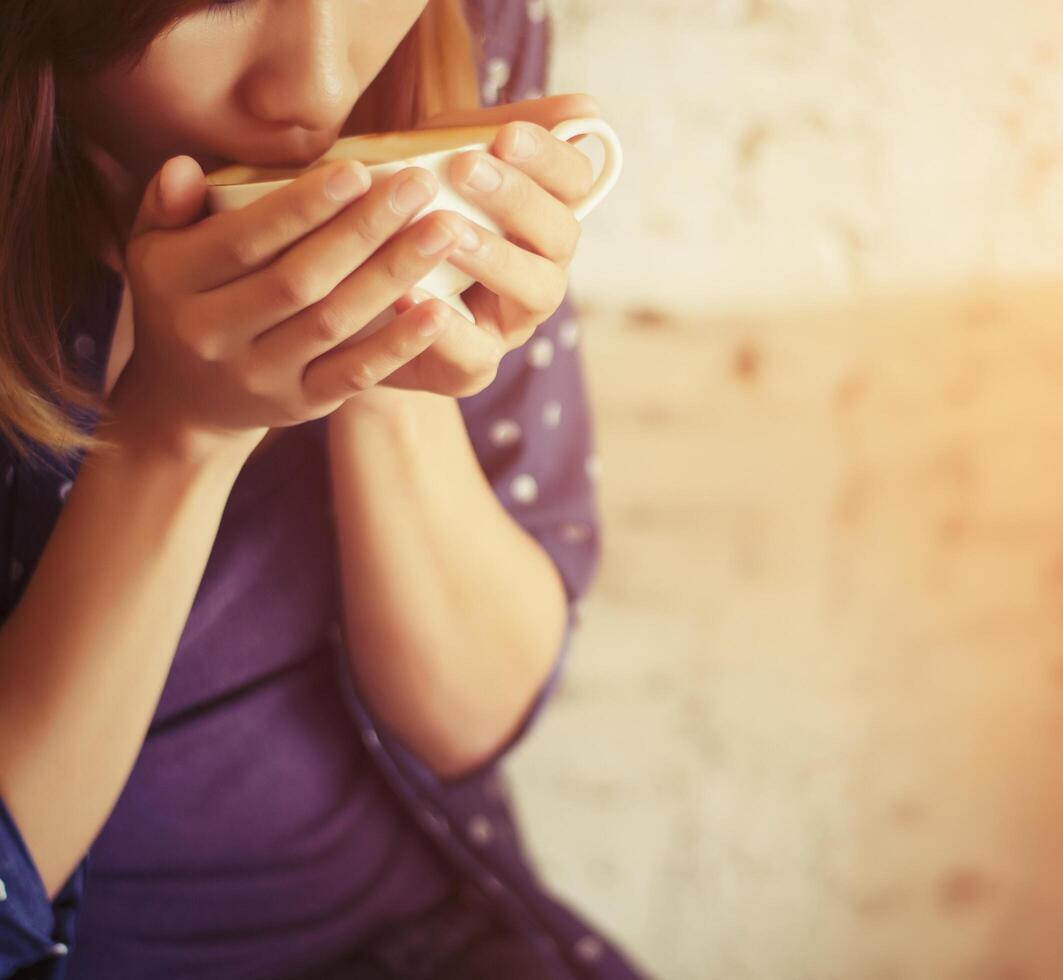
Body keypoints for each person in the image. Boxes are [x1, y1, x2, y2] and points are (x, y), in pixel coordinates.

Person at [0, 0, 645, 977]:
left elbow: (471, 717)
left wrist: (388, 328)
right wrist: (180, 435)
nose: (319, 84)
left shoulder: (468, 36)